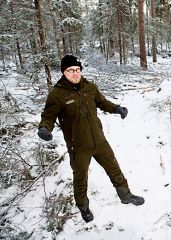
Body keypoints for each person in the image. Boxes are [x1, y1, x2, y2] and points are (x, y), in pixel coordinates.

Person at [38, 55, 144, 222]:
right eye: (71, 70)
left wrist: (117, 108)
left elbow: (102, 102)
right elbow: (48, 116)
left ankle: (126, 195)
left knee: (114, 169)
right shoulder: (57, 94)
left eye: (77, 70)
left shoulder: (90, 87)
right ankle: (83, 206)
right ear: (64, 72)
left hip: (99, 141)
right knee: (80, 178)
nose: (75, 73)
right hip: (78, 146)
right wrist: (44, 128)